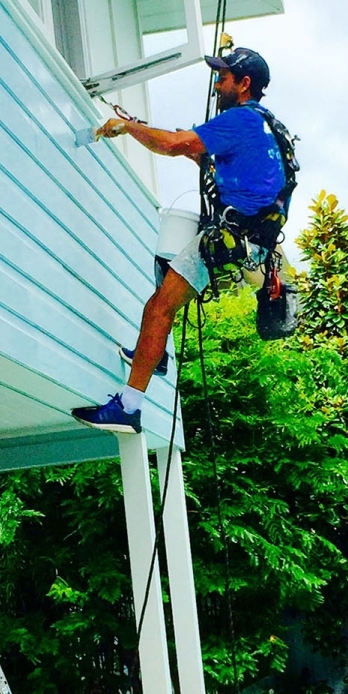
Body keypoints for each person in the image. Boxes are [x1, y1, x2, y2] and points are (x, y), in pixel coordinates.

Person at [71, 47, 285, 433]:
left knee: (159, 307)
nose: (218, 84)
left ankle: (128, 407)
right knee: (164, 264)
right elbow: (206, 158)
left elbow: (173, 146)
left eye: (224, 77)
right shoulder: (267, 126)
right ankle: (156, 353)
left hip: (232, 237)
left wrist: (128, 129)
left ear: (244, 84)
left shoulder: (240, 120)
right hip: (253, 240)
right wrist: (143, 126)